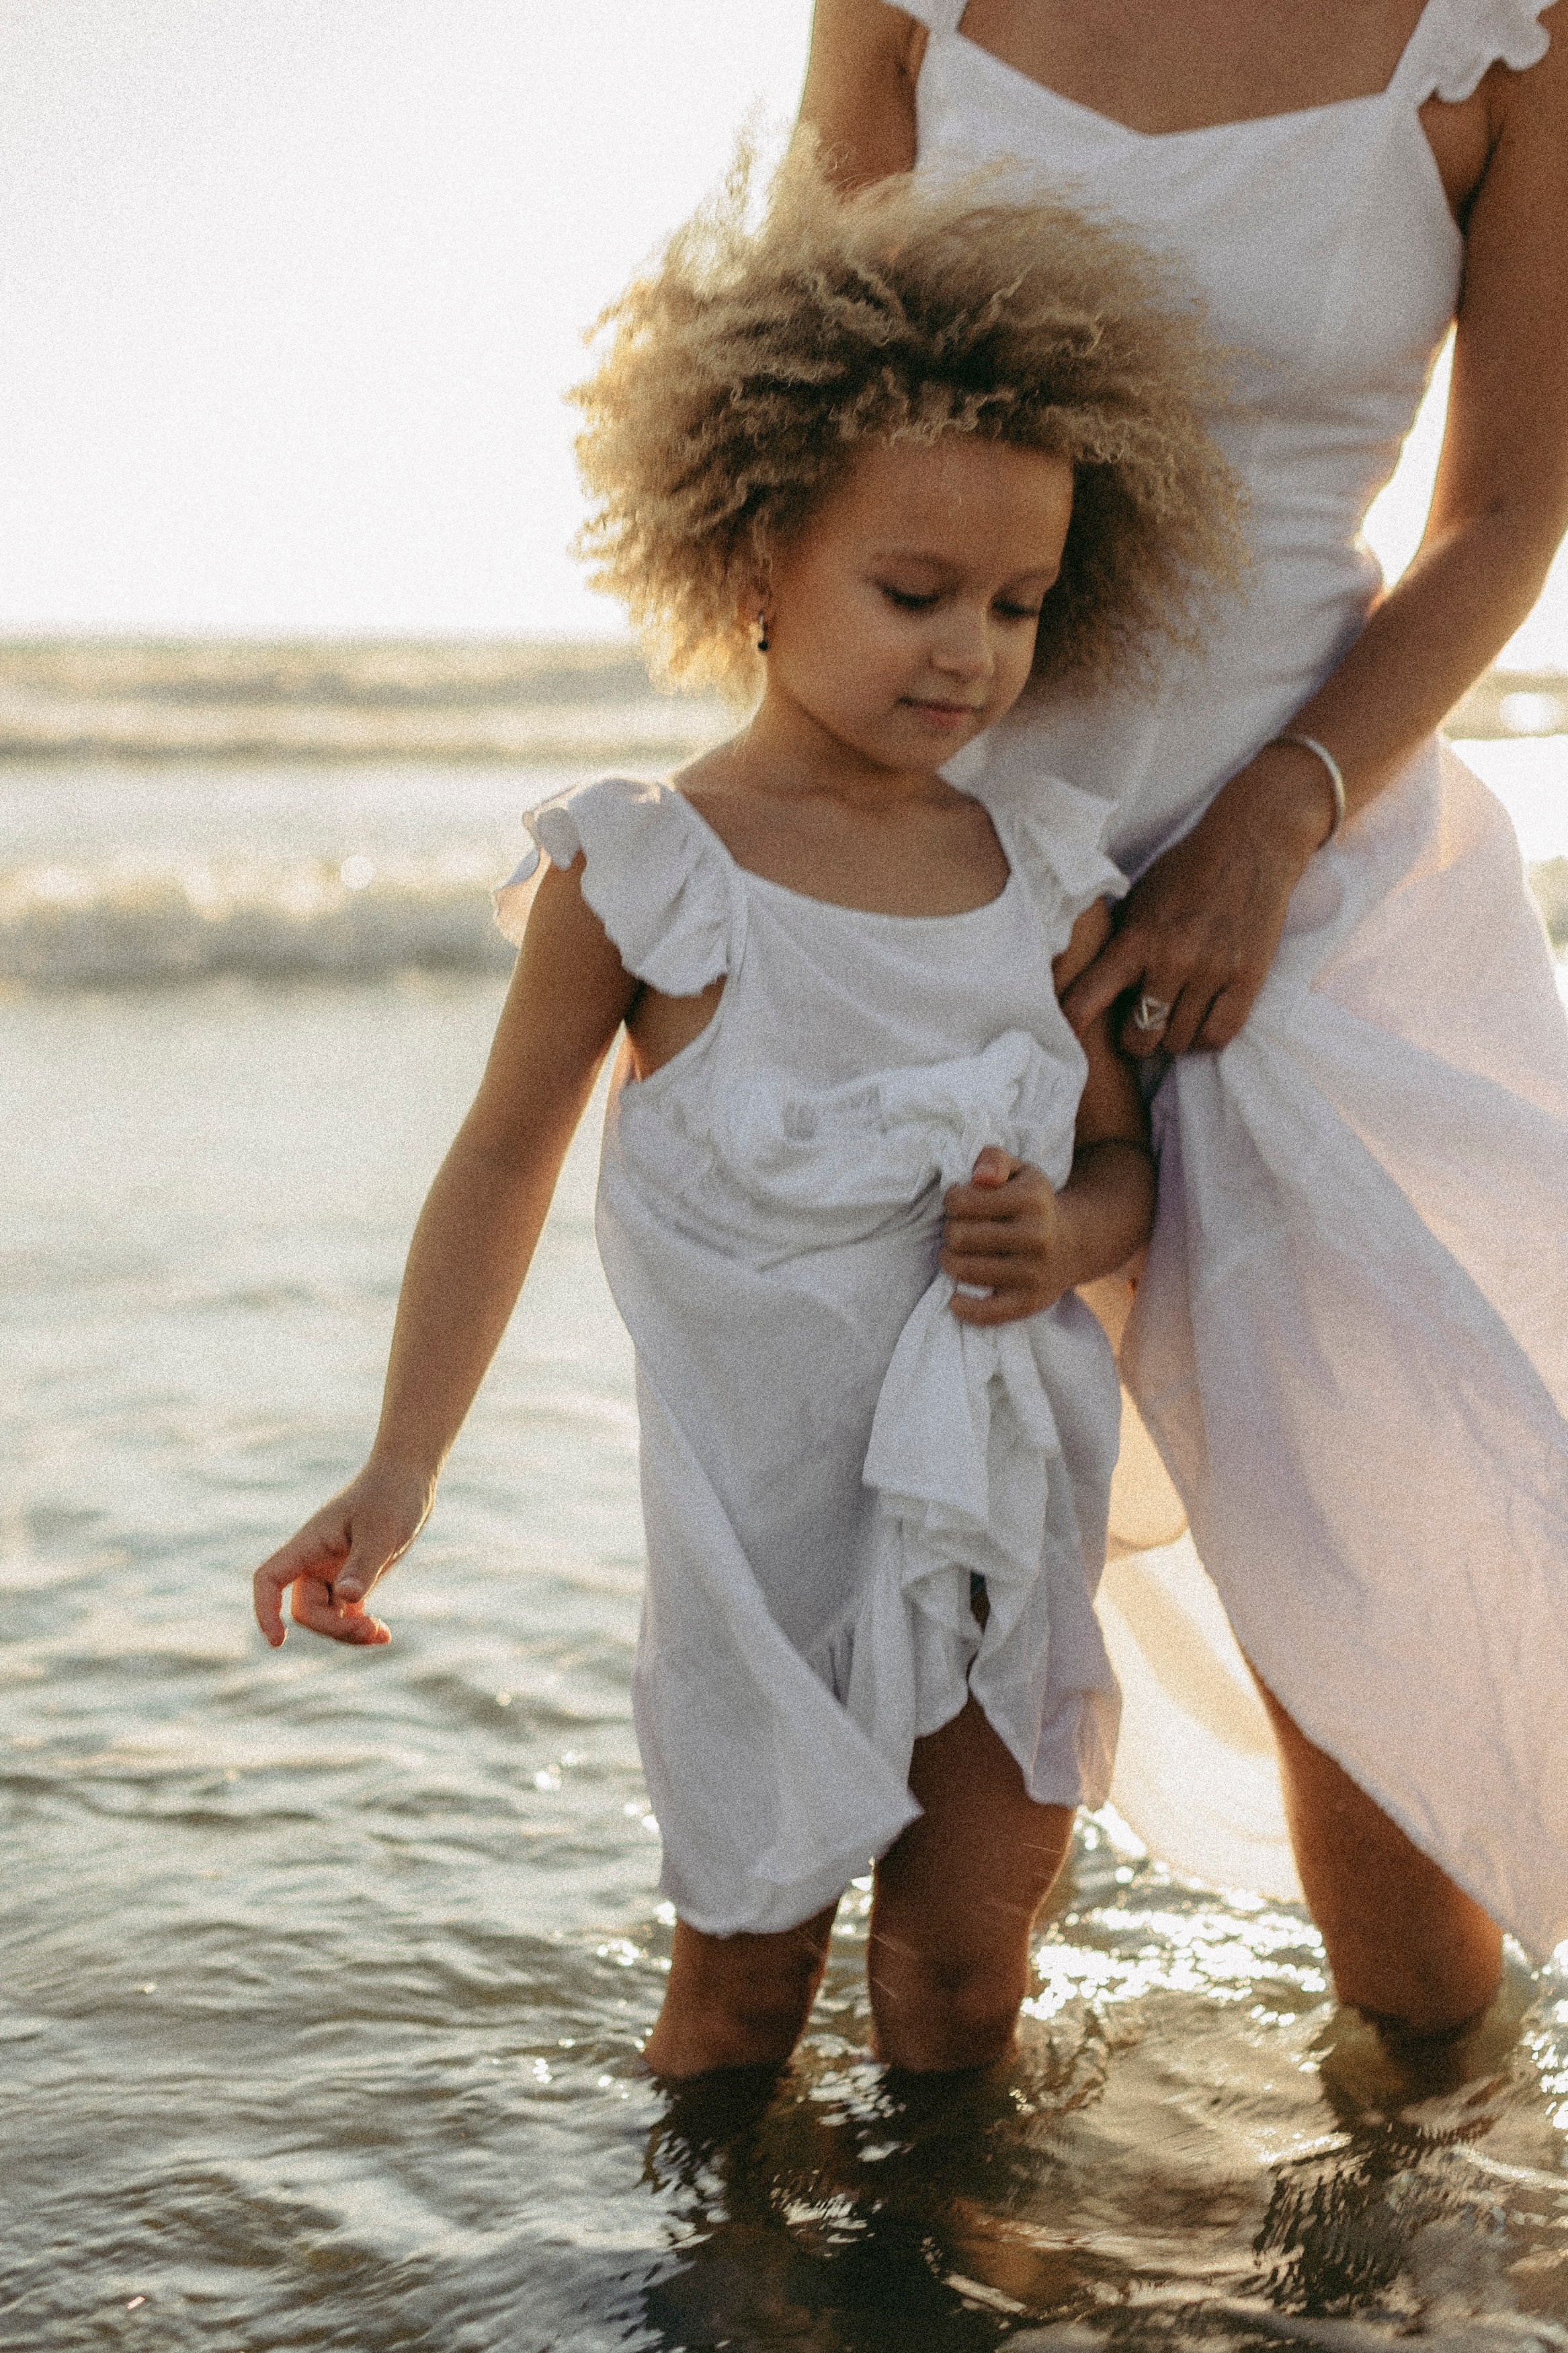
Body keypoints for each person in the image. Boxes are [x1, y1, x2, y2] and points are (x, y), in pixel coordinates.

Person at [252, 159, 1243, 2077]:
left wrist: (1073, 1234)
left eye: (1020, 605)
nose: (970, 650)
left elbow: (1122, 1165)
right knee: (739, 2003)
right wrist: (401, 1467)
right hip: (757, 1539)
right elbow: (497, 1167)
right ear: (753, 559)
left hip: (999, 1502)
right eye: (915, 590)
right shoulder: (648, 872)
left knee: (966, 1978)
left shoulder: (1043, 875)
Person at [798, 0, 1568, 2038]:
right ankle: (908, 2262)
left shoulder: (1505, 42)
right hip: (954, 909)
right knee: (934, 1740)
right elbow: (807, 457)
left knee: (1378, 1739)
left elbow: (1503, 515)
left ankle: (1422, 2268)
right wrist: (815, 900)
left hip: (1313, 913)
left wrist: (1266, 828)